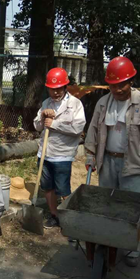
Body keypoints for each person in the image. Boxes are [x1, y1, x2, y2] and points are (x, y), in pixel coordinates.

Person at [84, 56, 140, 266]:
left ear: (131, 82)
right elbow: (93, 129)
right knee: (106, 206)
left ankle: (132, 249)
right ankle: (108, 241)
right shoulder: (103, 103)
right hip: (107, 161)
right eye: (113, 85)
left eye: (121, 84)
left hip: (134, 164)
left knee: (131, 208)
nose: (117, 89)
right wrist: (90, 154)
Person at [33, 68, 86, 229]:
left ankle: (69, 218)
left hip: (63, 155)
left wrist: (54, 124)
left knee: (63, 190)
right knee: (47, 188)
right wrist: (42, 117)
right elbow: (36, 127)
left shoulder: (75, 104)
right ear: (47, 88)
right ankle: (54, 215)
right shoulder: (45, 103)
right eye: (52, 89)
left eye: (58, 89)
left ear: (65, 87)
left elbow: (78, 128)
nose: (55, 92)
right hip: (45, 153)